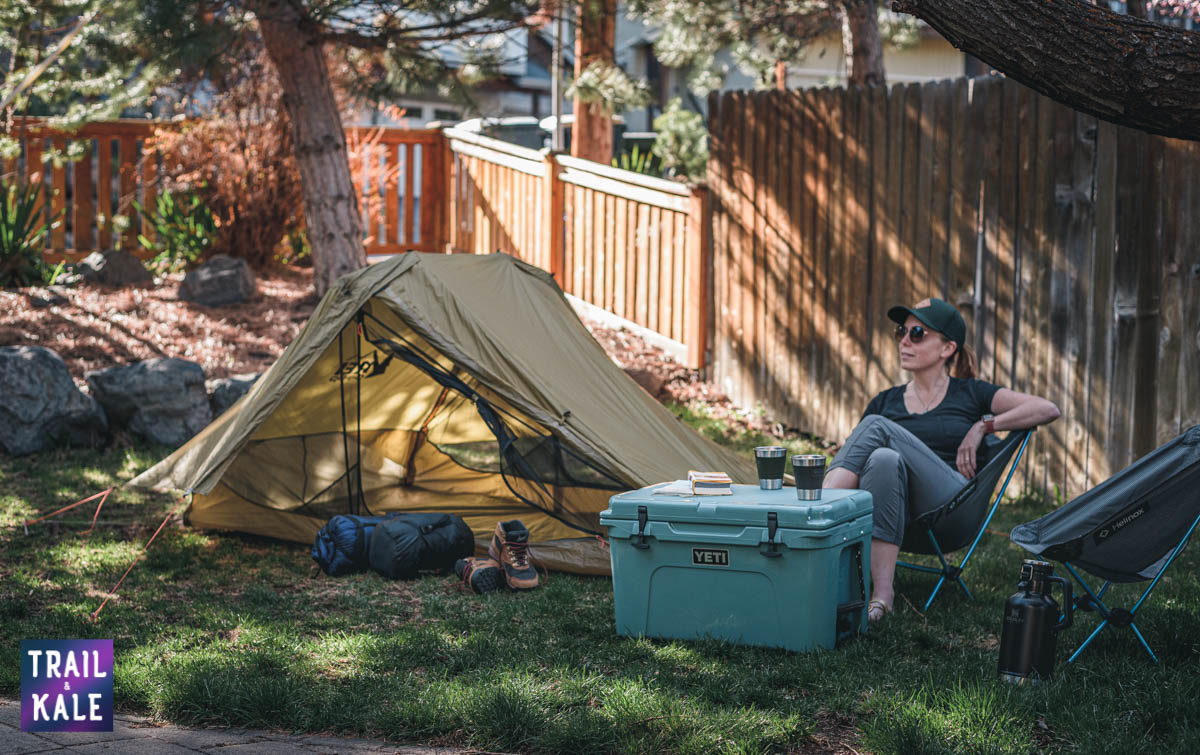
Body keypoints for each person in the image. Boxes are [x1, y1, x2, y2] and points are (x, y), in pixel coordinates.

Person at [822, 298, 1060, 622]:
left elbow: (1046, 409)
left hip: (953, 508)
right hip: (896, 513)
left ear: (947, 348)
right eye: (901, 332)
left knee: (877, 428)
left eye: (917, 333)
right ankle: (882, 596)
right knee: (882, 457)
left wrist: (983, 425)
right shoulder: (885, 401)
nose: (904, 341)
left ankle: (818, 513)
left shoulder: (971, 393)